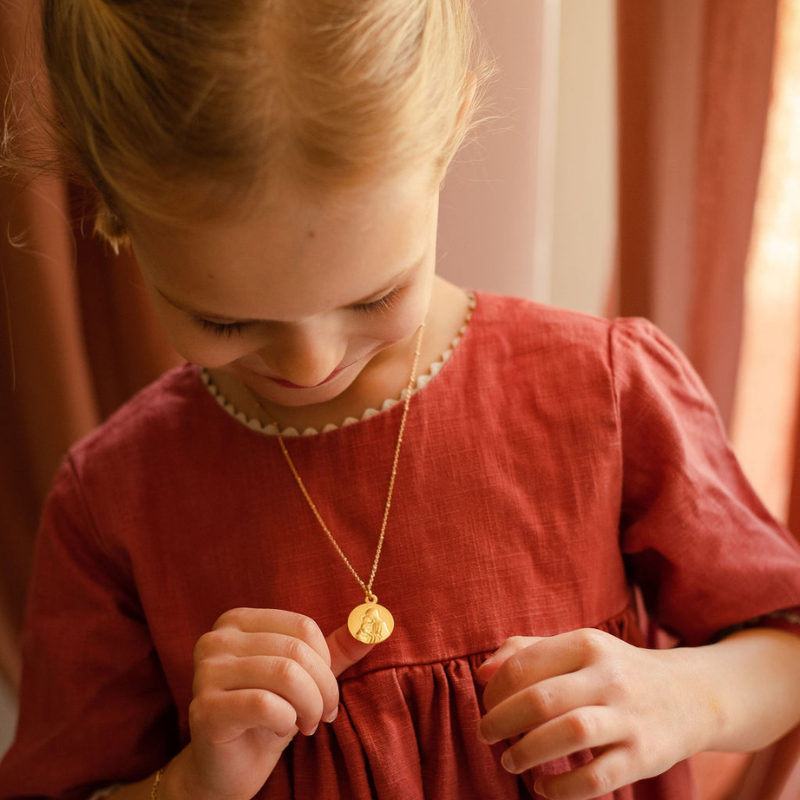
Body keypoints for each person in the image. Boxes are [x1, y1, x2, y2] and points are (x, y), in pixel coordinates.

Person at [1, 1, 800, 799]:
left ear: (450, 126)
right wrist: (194, 783)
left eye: (375, 296)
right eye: (225, 319)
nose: (310, 364)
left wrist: (688, 698)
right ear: (111, 211)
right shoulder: (115, 503)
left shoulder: (603, 391)